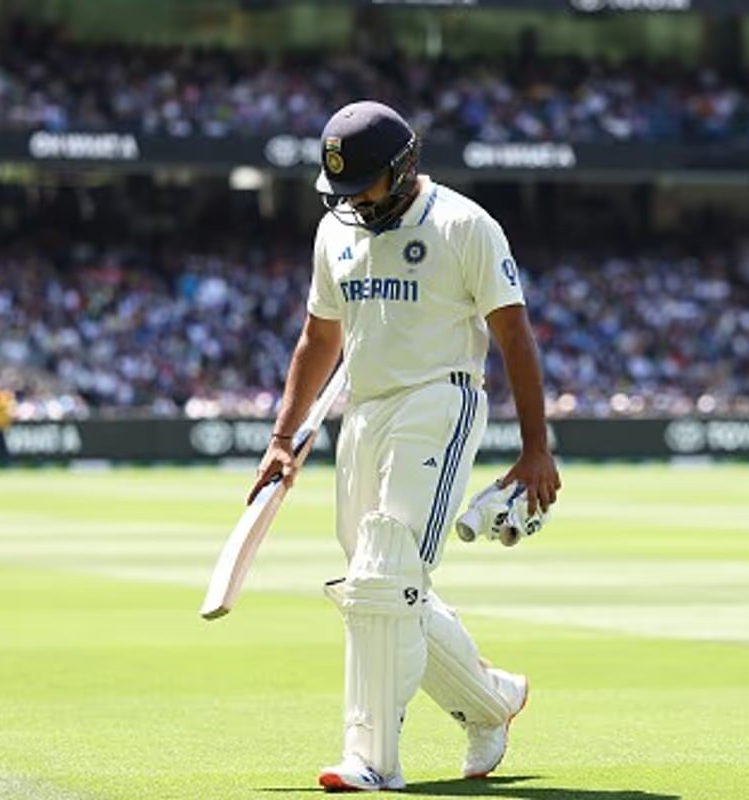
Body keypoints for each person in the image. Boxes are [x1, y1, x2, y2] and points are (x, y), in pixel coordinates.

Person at [250, 100, 561, 792]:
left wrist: (536, 447)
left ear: (405, 166)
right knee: (383, 583)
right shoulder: (336, 230)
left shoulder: (463, 225)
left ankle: (371, 760)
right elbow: (318, 337)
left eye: (366, 185)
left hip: (440, 399)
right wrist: (283, 438)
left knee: (384, 573)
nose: (354, 201)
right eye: (343, 190)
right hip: (363, 411)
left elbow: (515, 336)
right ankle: (491, 702)